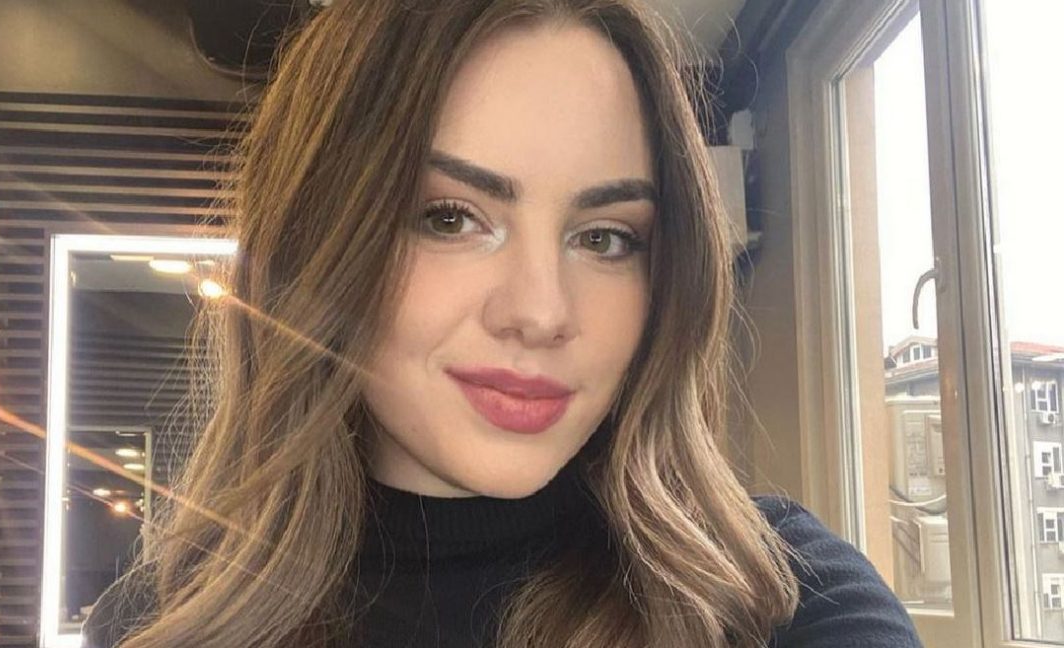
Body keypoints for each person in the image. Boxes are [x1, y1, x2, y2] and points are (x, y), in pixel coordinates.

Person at [83, 0, 923, 646]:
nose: (541, 312)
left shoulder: (783, 597)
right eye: (450, 218)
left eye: (604, 237)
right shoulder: (161, 620)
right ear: (318, 242)